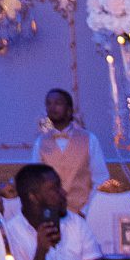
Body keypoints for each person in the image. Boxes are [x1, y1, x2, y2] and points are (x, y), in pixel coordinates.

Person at [32, 85, 109, 214]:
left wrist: (86, 210)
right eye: (49, 104)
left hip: (85, 213)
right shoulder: (40, 142)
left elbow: (101, 180)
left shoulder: (89, 139)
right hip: (51, 214)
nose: (52, 107)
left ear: (69, 110)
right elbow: (35, 181)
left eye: (57, 103)